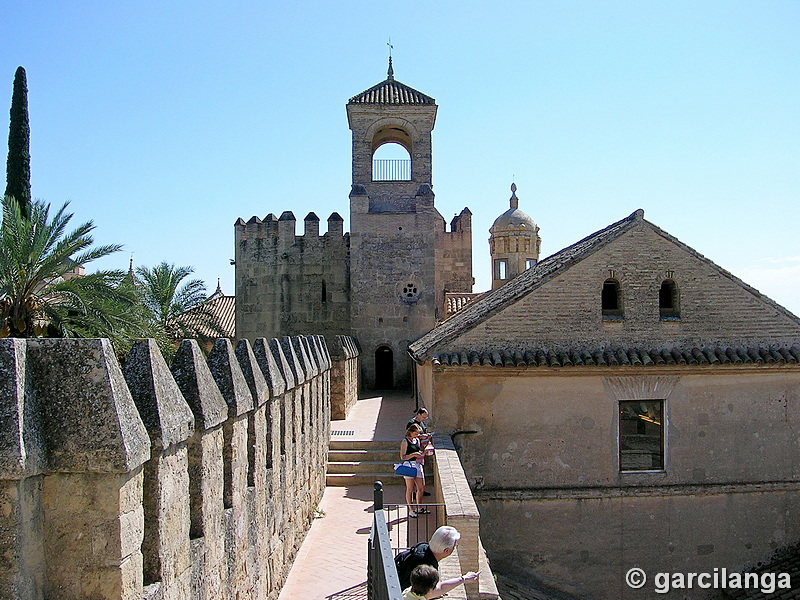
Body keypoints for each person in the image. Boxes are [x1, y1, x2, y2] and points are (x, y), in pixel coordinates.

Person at [395, 526, 480, 595]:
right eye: (454, 546)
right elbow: (424, 593)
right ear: (446, 550)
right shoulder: (426, 565)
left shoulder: (423, 548)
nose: (455, 547)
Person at [399, 423, 426, 517]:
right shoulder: (405, 441)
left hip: (417, 464)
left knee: (421, 488)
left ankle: (419, 507)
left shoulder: (417, 440)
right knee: (410, 488)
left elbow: (419, 451)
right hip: (409, 465)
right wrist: (413, 455)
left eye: (418, 434)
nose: (417, 436)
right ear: (410, 432)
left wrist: (422, 453)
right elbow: (403, 457)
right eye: (415, 434)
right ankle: (411, 509)